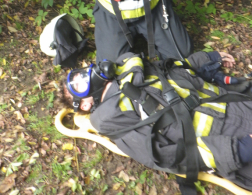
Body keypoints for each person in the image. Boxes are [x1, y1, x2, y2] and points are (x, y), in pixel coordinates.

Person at [62, 49, 252, 193]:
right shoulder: (113, 119)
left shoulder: (129, 70)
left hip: (233, 104)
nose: (84, 76)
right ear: (85, 105)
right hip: (231, 138)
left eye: (80, 74)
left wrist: (208, 58)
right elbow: (167, 156)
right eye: (78, 85)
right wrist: (241, 148)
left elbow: (175, 69)